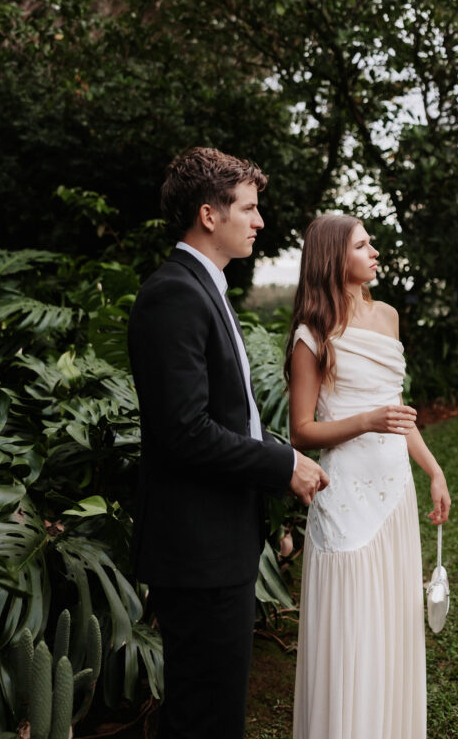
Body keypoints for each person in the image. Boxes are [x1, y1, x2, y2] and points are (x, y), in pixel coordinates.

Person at [128, 147, 328, 739]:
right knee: (203, 717)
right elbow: (184, 431)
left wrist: (279, 454)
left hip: (219, 542)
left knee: (216, 709)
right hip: (197, 549)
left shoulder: (205, 287)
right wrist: (280, 462)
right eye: (249, 208)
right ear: (209, 215)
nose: (260, 221)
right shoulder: (174, 294)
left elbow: (229, 415)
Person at [285, 213, 451, 739]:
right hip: (345, 502)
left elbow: (396, 411)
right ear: (336, 258)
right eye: (363, 244)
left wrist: (432, 469)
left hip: (394, 493)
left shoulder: (388, 317)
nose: (375, 251)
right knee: (352, 632)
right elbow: (302, 432)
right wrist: (366, 422)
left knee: (392, 631)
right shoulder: (312, 334)